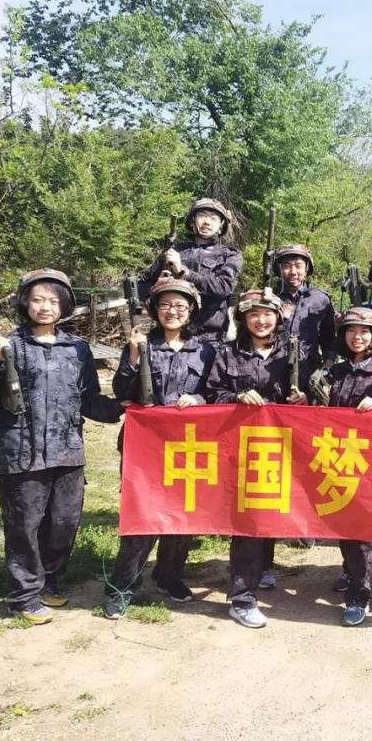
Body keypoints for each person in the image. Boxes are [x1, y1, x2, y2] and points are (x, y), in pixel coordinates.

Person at [0, 269, 124, 624]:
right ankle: (24, 595)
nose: (45, 307)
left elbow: (88, 399)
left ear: (64, 306)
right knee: (24, 525)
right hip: (20, 451)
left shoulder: (77, 348)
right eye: (38, 299)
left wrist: (122, 407)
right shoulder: (7, 344)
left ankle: (49, 582)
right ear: (25, 303)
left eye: (53, 301)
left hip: (67, 450)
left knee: (63, 522)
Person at [102, 278, 215, 619]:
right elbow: (123, 391)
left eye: (180, 306)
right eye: (165, 305)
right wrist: (134, 354)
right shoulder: (141, 344)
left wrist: (197, 399)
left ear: (191, 310)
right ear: (154, 309)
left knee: (183, 516)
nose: (172, 312)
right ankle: (122, 586)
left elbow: (216, 390)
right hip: (146, 446)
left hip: (190, 444)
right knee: (142, 515)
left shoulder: (205, 350)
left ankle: (169, 576)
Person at [205, 289, 307, 628]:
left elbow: (317, 395)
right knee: (247, 521)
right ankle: (242, 597)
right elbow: (212, 393)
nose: (261, 320)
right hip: (241, 448)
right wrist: (236, 396)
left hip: (283, 448)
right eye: (253, 314)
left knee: (273, 512)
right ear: (243, 318)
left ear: (278, 318)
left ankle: (263, 568)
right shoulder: (227, 354)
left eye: (267, 314)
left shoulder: (294, 353)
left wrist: (303, 397)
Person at [319, 307, 372, 626]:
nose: (358, 337)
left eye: (365, 332)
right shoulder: (335, 371)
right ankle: (349, 569)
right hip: (337, 457)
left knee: (362, 529)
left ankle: (360, 594)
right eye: (352, 331)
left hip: (369, 463)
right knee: (342, 523)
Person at [138, 197, 242, 343]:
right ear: (192, 221)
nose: (207, 222)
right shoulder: (173, 252)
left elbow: (223, 287)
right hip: (170, 335)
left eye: (213, 218)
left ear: (221, 226)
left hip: (210, 338)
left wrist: (184, 272)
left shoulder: (230, 255)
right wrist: (157, 286)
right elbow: (140, 287)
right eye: (202, 216)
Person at [274, 243, 336, 369]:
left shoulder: (321, 299)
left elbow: (328, 338)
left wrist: (328, 364)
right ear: (279, 269)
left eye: (298, 266)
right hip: (273, 367)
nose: (293, 272)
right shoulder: (270, 298)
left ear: (307, 268)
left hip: (309, 368)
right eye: (287, 266)